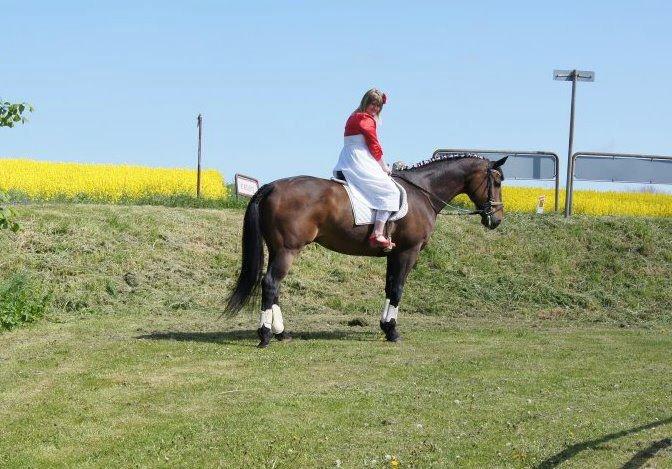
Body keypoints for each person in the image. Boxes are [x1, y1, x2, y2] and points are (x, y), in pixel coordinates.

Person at [333, 88, 400, 250]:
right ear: (366, 103)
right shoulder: (365, 119)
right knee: (391, 191)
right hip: (359, 159)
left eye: (378, 106)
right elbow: (373, 145)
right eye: (373, 104)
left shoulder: (353, 116)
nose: (375, 108)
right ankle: (377, 233)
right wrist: (384, 166)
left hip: (348, 158)